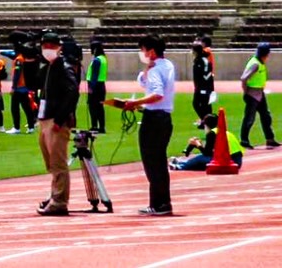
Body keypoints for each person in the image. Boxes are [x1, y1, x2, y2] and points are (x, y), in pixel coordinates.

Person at [108, 34, 176, 216]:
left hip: (154, 119)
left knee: (152, 163)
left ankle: (158, 204)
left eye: (143, 50)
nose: (142, 53)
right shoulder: (167, 65)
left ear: (151, 51)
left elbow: (157, 94)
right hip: (164, 118)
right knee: (159, 162)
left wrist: (134, 103)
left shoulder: (155, 70)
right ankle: (162, 202)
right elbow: (145, 82)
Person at [34, 32, 78, 216]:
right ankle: (55, 195)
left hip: (55, 121)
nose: (48, 49)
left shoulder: (63, 67)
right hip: (45, 118)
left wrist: (60, 120)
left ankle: (60, 201)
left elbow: (72, 93)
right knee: (51, 163)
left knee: (58, 162)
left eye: (52, 46)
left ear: (59, 47)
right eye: (45, 46)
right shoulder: (48, 68)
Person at [238, 41, 277, 150]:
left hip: (260, 93)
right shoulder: (255, 63)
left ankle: (270, 139)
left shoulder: (260, 61)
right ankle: (244, 140)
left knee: (266, 116)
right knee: (249, 118)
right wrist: (246, 92)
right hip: (252, 94)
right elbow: (244, 78)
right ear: (266, 53)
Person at [172, 114, 242, 172]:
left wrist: (198, 144)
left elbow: (207, 153)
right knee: (202, 160)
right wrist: (198, 145)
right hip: (237, 161)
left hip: (228, 162)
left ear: (206, 125)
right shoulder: (225, 132)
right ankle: (183, 163)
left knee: (200, 158)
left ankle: (181, 166)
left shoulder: (212, 133)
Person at [7, 40, 38, 135]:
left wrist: (13, 87)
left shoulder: (19, 59)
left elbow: (17, 73)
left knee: (14, 107)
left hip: (19, 87)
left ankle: (16, 127)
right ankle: (31, 127)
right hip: (25, 86)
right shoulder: (24, 58)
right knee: (27, 107)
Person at [191, 35, 215, 125]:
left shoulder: (202, 61)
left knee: (201, 105)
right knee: (204, 105)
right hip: (201, 86)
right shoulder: (198, 60)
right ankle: (206, 122)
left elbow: (205, 75)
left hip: (203, 87)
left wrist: (202, 87)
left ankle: (207, 122)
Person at [85, 40, 108, 134]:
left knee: (93, 106)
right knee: (100, 107)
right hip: (101, 85)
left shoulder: (97, 60)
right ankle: (101, 127)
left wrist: (91, 87)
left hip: (95, 86)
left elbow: (94, 74)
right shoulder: (103, 58)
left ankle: (94, 125)